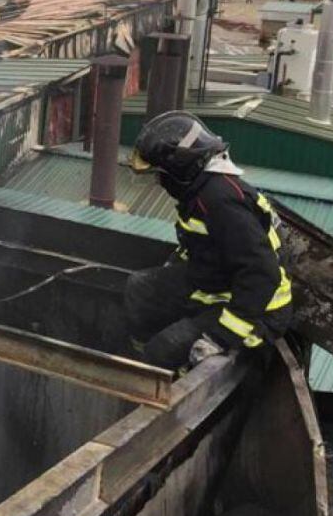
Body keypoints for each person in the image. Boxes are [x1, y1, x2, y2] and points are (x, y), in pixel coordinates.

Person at [124, 111, 292, 371]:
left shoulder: (221, 201)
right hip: (216, 285)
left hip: (258, 309)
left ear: (179, 169)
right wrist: (172, 269)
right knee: (140, 288)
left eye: (160, 174)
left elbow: (262, 274)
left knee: (165, 348)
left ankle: (163, 374)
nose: (158, 181)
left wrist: (219, 338)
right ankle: (137, 365)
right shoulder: (201, 190)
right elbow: (202, 247)